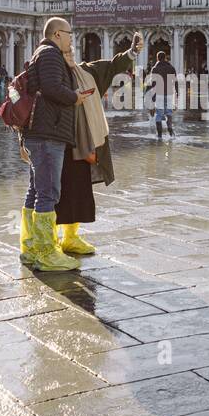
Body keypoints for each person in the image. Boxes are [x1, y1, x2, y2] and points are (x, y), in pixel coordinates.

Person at [52, 29, 143, 260]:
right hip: (57, 144)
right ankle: (49, 240)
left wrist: (132, 52)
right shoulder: (51, 75)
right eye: (65, 52)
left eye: (71, 50)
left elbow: (113, 66)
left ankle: (70, 238)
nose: (70, 54)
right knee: (53, 193)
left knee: (79, 191)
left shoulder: (87, 72)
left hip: (82, 145)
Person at [17, 17, 84, 272]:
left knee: (36, 190)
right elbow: (52, 87)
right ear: (57, 34)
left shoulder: (43, 53)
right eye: (69, 34)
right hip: (47, 134)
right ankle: (46, 253)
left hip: (42, 133)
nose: (70, 38)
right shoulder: (50, 54)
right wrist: (74, 97)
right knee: (48, 193)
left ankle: (31, 247)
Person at [149, 50, 176, 139]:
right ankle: (171, 132)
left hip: (159, 94)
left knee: (159, 114)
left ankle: (159, 136)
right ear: (165, 58)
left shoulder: (155, 68)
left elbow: (153, 84)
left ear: (157, 58)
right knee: (169, 113)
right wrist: (177, 93)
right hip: (169, 93)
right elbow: (175, 82)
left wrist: (152, 97)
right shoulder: (171, 67)